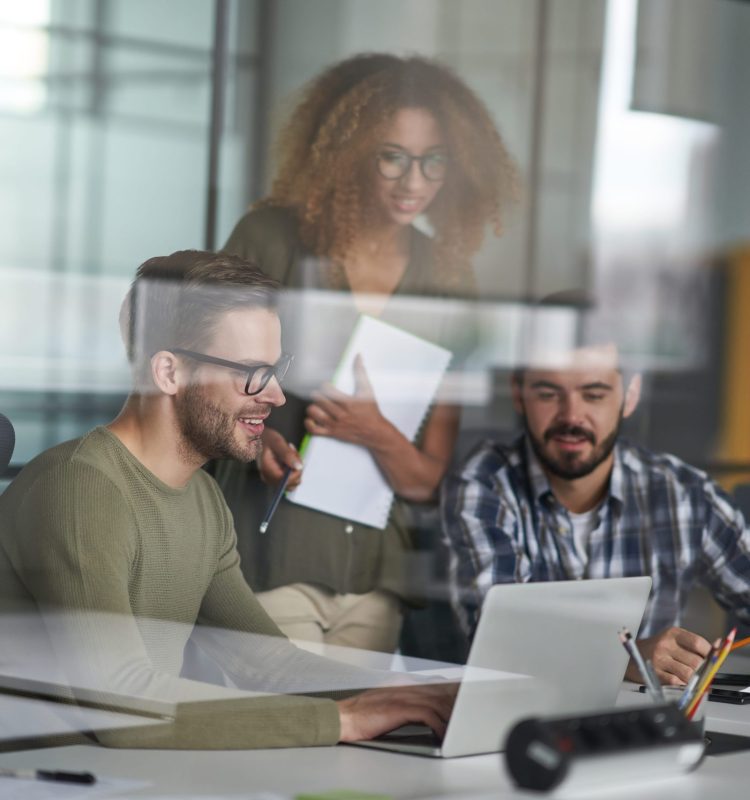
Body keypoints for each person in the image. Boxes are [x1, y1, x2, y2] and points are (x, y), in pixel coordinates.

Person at [0, 250, 454, 750]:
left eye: (276, 368)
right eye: (252, 373)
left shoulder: (202, 497)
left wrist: (417, 696)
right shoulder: (79, 488)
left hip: (126, 778)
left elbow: (267, 663)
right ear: (170, 373)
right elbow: (120, 704)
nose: (277, 396)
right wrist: (343, 720)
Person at [213, 53, 516, 652]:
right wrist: (259, 443)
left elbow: (429, 480)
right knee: (289, 729)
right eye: (392, 157)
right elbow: (199, 388)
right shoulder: (272, 239)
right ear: (348, 152)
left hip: (378, 582)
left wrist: (372, 430)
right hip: (270, 555)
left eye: (434, 162)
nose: (414, 183)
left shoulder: (450, 281)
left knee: (357, 740)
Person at [441, 320, 750, 687]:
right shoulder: (484, 485)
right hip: (521, 720)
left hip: (650, 726)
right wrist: (627, 657)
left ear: (630, 396)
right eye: (548, 393)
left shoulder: (682, 493)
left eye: (594, 394)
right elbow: (499, 639)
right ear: (519, 394)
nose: (571, 416)